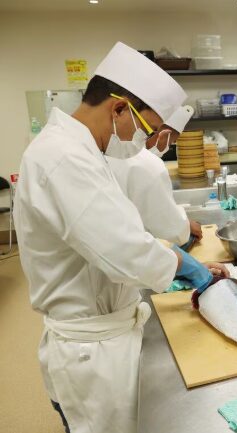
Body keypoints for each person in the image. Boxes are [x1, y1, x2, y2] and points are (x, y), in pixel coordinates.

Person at [13, 42, 224, 433]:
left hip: (103, 330)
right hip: (93, 353)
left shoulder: (80, 149)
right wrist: (184, 264)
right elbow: (125, 251)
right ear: (119, 109)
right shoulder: (64, 158)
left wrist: (171, 262)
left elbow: (113, 234)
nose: (147, 141)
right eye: (147, 129)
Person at [107, 105, 203, 246]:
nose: (169, 146)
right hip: (136, 247)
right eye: (172, 142)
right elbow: (170, 232)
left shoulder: (113, 151)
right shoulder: (146, 163)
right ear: (163, 134)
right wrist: (186, 227)